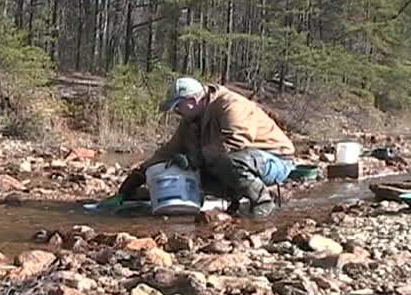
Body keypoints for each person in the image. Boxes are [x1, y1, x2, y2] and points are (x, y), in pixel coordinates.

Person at [116, 77, 295, 218]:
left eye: (178, 106)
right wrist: (139, 174)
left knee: (226, 160)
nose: (177, 112)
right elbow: (168, 151)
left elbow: (236, 141)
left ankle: (263, 203)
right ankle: (238, 202)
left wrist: (198, 158)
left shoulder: (232, 105)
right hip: (245, 160)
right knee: (190, 170)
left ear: (192, 101)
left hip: (275, 159)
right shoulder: (191, 121)